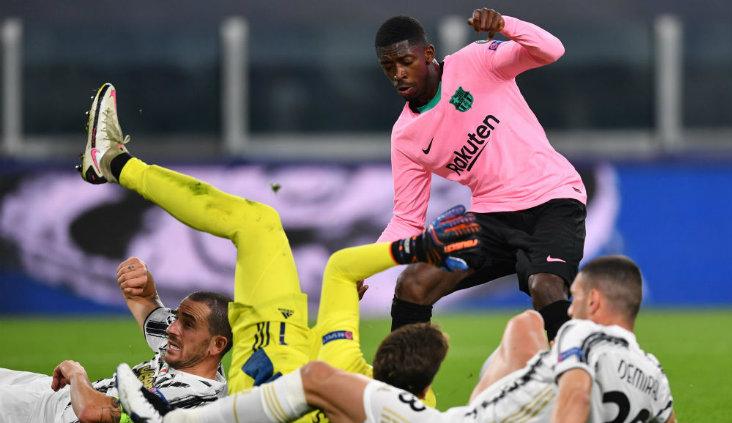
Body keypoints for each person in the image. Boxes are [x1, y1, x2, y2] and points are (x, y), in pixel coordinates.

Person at [77, 82, 483, 416]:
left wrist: (416, 247)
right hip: (267, 382)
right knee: (259, 229)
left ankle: (114, 162)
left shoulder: (347, 363)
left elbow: (341, 268)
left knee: (256, 223)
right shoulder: (418, 408)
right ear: (425, 387)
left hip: (268, 364)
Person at [117, 255, 676, 423]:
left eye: (576, 297)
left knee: (316, 380)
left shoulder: (579, 333)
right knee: (523, 331)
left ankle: (170, 421)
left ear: (595, 304)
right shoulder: (654, 377)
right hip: (462, 412)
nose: (568, 306)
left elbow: (575, 398)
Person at [375, 7, 587, 340]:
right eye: (389, 67)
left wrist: (506, 25)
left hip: (552, 199)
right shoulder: (406, 136)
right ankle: (401, 388)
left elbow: (551, 50)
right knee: (413, 285)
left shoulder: (475, 61)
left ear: (428, 54)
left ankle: (579, 376)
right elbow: (406, 220)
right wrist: (366, 266)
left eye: (405, 62)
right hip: (491, 218)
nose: (398, 74)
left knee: (544, 287)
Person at [0, 257, 231, 423]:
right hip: (54, 395)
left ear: (217, 345)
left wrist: (77, 373)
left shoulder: (191, 396)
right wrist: (142, 280)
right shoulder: (192, 351)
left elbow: (92, 413)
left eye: (187, 323)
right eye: (176, 317)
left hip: (49, 415)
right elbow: (144, 300)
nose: (171, 328)